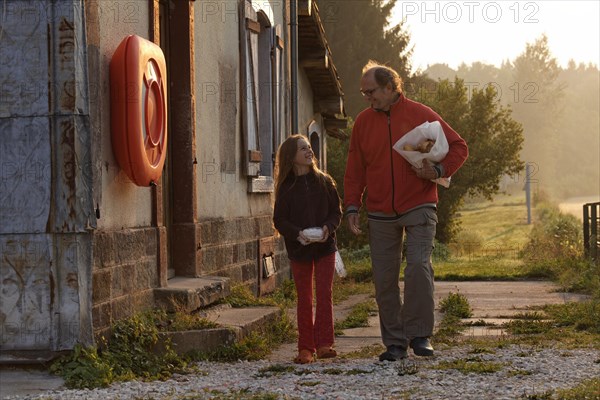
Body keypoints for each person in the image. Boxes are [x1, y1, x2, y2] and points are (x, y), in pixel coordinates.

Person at [344, 61, 468, 361]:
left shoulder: (421, 115)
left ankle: (420, 334)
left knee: (417, 267)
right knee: (384, 278)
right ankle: (395, 343)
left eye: (371, 91)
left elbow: (459, 147)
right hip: (379, 210)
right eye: (363, 92)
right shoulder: (362, 122)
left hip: (420, 204)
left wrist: (439, 169)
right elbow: (355, 168)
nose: (367, 97)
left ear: (390, 87)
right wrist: (351, 205)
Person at [273, 134, 343, 364]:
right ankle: (305, 348)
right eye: (303, 149)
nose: (309, 151)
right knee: (304, 298)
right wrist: (297, 233)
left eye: (309, 148)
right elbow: (280, 220)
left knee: (324, 295)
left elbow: (336, 212)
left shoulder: (325, 181)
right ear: (291, 157)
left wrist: (327, 228)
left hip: (325, 246)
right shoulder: (286, 187)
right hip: (299, 248)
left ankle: (324, 344)